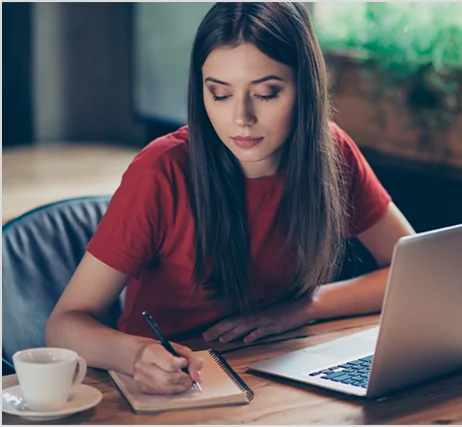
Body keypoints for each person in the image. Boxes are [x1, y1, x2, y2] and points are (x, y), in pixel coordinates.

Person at [45, 2, 415, 395]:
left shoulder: (331, 152)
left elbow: (410, 270)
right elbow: (64, 323)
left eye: (267, 93)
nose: (241, 118)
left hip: (280, 368)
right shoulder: (161, 171)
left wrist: (305, 307)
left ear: (305, 87)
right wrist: (135, 355)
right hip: (177, 384)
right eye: (220, 94)